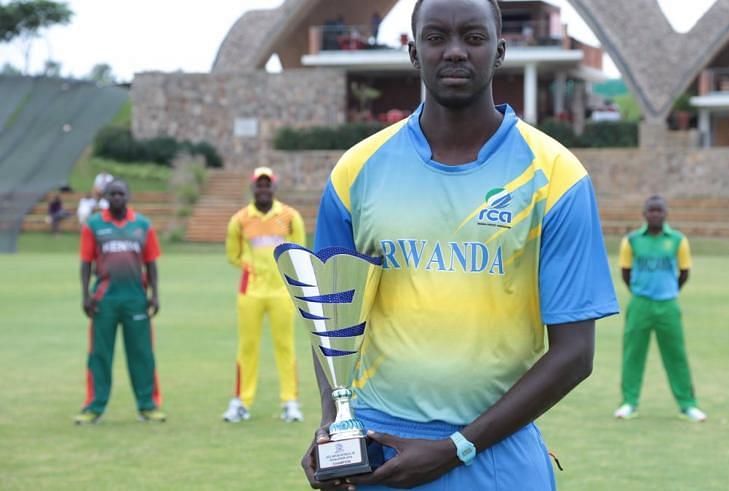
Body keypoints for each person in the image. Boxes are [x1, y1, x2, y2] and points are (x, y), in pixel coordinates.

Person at [306, 0, 619, 489]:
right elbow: (330, 321)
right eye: (436, 38)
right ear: (413, 52)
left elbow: (575, 353)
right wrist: (331, 428)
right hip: (379, 451)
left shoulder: (556, 176)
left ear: (499, 51)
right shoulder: (355, 171)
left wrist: (459, 447)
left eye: (473, 38)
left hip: (494, 454)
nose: (454, 52)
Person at [75, 179, 165, 424]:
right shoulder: (94, 225)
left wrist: (154, 294)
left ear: (128, 196)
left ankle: (148, 405)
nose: (116, 198)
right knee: (99, 355)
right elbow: (85, 263)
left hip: (136, 298)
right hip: (104, 299)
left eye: (121, 194)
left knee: (142, 354)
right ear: (106, 197)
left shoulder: (142, 225)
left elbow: (151, 263)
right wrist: (85, 295)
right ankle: (95, 406)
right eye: (112, 194)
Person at [222, 167, 306, 423]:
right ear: (253, 188)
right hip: (251, 292)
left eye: (267, 185)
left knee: (285, 346)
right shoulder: (240, 219)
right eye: (259, 185)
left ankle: (290, 402)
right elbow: (232, 255)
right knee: (247, 347)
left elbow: (299, 251)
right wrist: (253, 268)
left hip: (281, 291)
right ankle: (241, 402)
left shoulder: (290, 217)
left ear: (274, 188)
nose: (263, 189)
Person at [613, 195, 707, 422]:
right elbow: (625, 272)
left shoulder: (677, 240)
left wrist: (668, 291)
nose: (655, 214)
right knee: (632, 354)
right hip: (640, 303)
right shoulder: (632, 240)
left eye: (659, 211)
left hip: (668, 305)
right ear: (644, 214)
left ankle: (687, 404)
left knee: (676, 355)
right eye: (651, 211)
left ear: (666, 214)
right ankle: (629, 403)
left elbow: (684, 272)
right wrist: (640, 290)